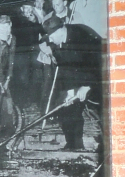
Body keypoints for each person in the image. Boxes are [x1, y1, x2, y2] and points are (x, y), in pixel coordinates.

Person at [42, 16, 101, 151]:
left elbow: (96, 63)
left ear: (61, 30)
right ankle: (74, 145)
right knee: (66, 107)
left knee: (103, 111)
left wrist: (86, 86)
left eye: (51, 36)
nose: (50, 40)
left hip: (100, 75)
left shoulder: (82, 36)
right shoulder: (58, 44)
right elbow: (64, 69)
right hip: (79, 75)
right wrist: (69, 92)